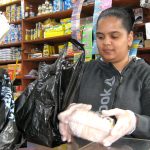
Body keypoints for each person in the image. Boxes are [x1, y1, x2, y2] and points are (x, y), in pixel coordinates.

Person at [58, 6, 150, 147]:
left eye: (114, 36)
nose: (106, 42)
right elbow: (68, 106)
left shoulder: (145, 74)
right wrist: (70, 112)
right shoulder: (84, 70)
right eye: (100, 37)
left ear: (129, 38)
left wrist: (134, 122)